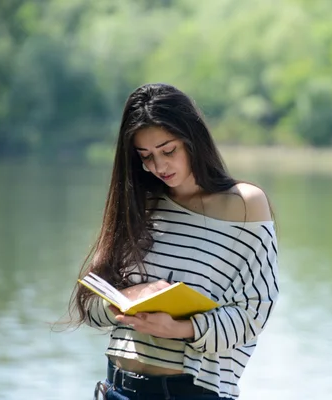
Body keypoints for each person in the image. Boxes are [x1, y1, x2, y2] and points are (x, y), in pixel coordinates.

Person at [69, 83, 280, 400]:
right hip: (117, 388)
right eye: (146, 156)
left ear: (193, 140)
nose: (158, 166)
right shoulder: (139, 204)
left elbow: (254, 313)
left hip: (187, 392)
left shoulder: (244, 204)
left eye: (168, 151)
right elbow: (91, 310)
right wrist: (131, 297)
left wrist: (183, 328)